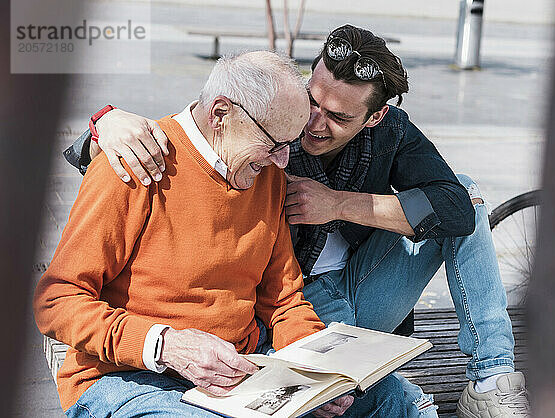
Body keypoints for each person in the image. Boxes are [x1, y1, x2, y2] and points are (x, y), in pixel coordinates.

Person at [65, 25, 531, 417]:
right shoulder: (253, 125)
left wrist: (338, 204)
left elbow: (453, 209)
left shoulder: (314, 146)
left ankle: (491, 380)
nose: (308, 131)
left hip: (306, 316)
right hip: (160, 360)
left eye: (339, 116)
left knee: (401, 400)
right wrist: (104, 124)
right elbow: (203, 122)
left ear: (375, 117)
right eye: (313, 103)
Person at [35, 51, 409, 418]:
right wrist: (165, 345)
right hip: (130, 376)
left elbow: (283, 301)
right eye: (274, 145)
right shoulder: (135, 165)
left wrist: (320, 374)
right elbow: (55, 302)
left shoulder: (268, 177)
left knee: (388, 397)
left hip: (240, 368)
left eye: (289, 146)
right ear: (220, 114)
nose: (283, 162)